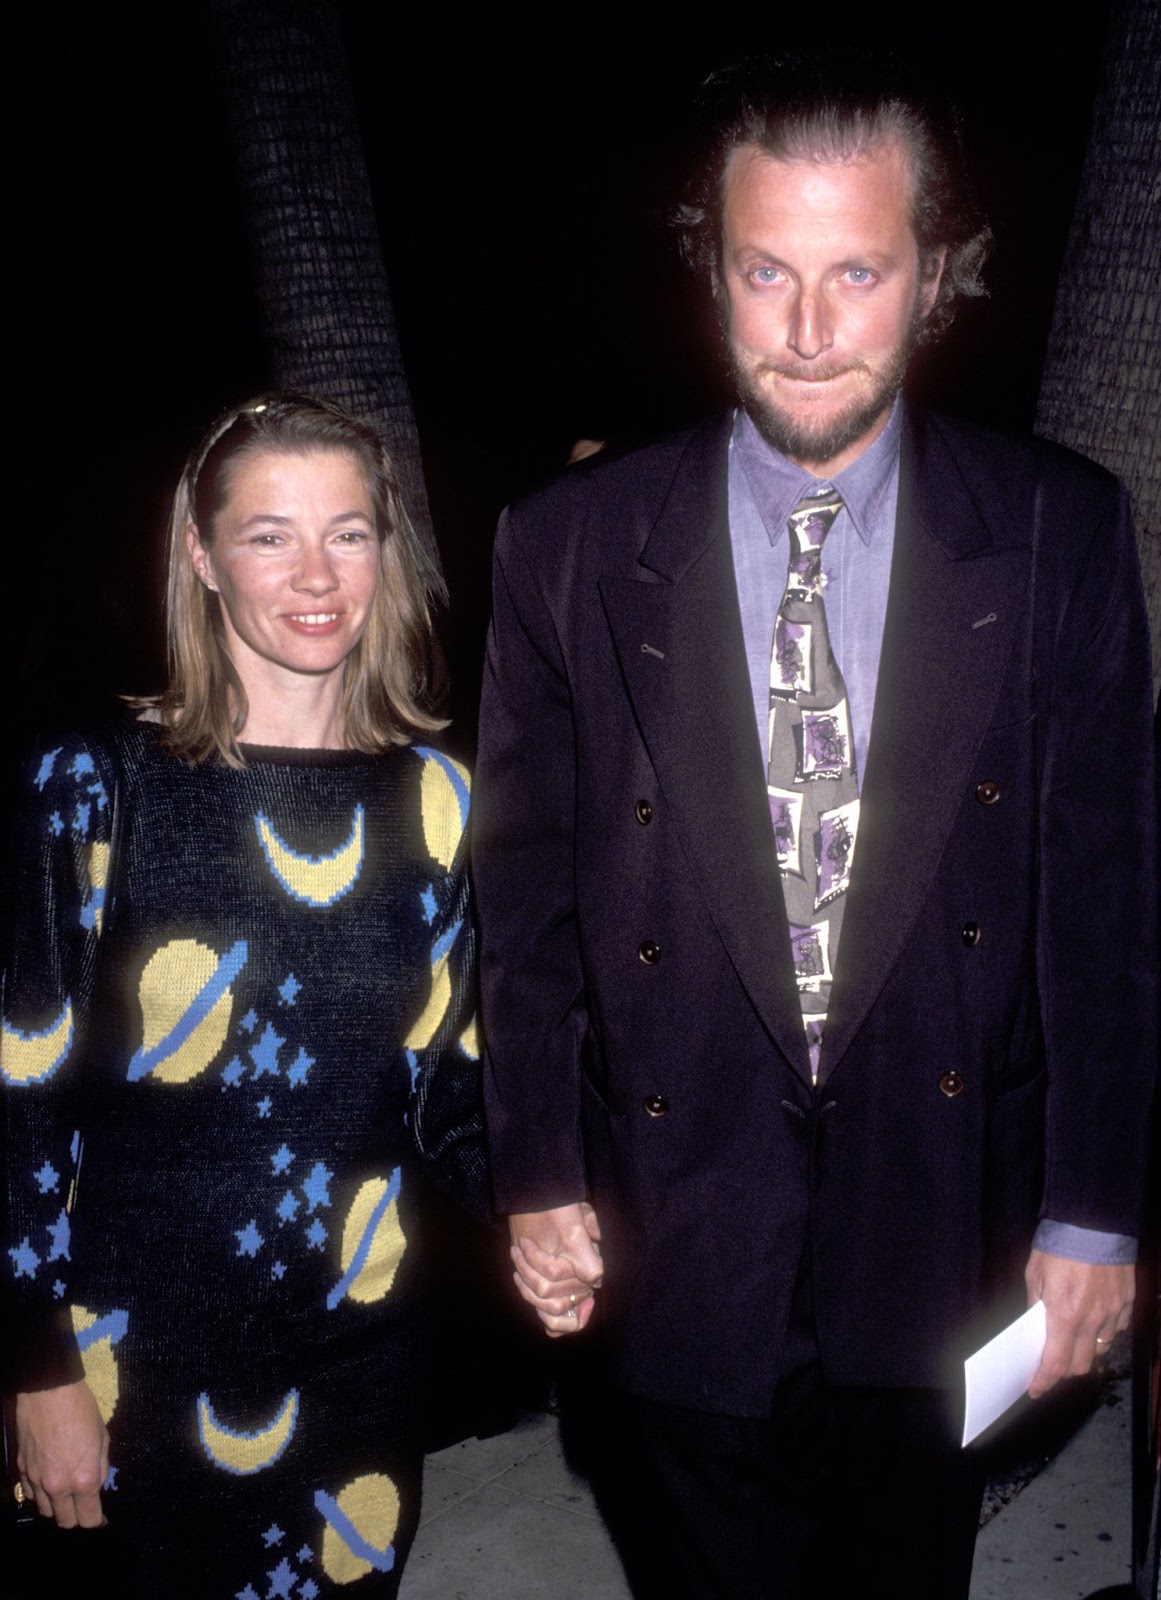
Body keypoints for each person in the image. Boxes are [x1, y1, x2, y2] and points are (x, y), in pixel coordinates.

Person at [472, 55, 1157, 1599]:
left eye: (856, 271)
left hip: (943, 1190)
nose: (804, 328)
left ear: (935, 278)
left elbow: (1108, 904)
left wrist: (1095, 1213)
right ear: (710, 270)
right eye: (764, 269)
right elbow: (518, 896)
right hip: (669, 1194)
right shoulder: (570, 541)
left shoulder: (1057, 530)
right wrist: (534, 1172)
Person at [1, 394, 482, 1597]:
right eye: (270, 535)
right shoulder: (97, 786)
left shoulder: (436, 800)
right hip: (126, 1366)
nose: (316, 574)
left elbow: (458, 1088)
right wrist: (34, 1365)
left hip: (358, 1355)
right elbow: (20, 1099)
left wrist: (580, 1221)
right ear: (203, 557)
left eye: (350, 531)